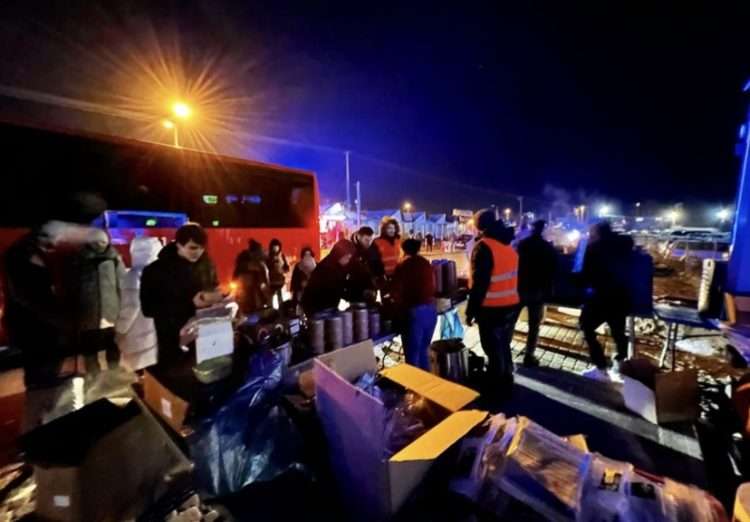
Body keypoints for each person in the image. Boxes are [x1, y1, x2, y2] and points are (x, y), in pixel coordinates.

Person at [141, 223, 221, 373]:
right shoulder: (155, 271)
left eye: (202, 248)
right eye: (192, 247)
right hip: (172, 341)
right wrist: (189, 303)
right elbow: (148, 308)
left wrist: (216, 297)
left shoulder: (206, 265)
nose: (198, 252)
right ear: (178, 244)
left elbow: (215, 287)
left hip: (205, 339)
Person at [4, 224, 66, 391]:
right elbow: (28, 297)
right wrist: (61, 318)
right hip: (32, 327)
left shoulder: (31, 252)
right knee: (40, 377)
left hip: (39, 326)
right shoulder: (21, 255)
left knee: (46, 371)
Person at [465, 209, 520, 399]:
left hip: (492, 307)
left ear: (480, 225)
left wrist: (470, 311)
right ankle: (507, 379)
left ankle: (497, 390)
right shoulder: (508, 246)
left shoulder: (484, 246)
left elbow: (480, 283)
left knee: (492, 348)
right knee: (503, 345)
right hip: (511, 305)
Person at [580, 221, 635, 381]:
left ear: (597, 232)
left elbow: (585, 274)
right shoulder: (624, 244)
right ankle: (619, 366)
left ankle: (601, 368)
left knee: (586, 327)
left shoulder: (593, 248)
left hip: (600, 298)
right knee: (618, 333)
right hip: (621, 297)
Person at [68, 229, 125, 374]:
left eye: (103, 241)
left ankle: (113, 374)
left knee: (112, 346)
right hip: (89, 313)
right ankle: (95, 379)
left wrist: (122, 308)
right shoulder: (79, 259)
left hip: (110, 311)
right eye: (97, 241)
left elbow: (122, 283)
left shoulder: (114, 258)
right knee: (90, 350)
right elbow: (73, 287)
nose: (101, 245)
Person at [515, 220, 557, 367]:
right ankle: (529, 355)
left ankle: (504, 350)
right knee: (534, 325)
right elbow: (552, 270)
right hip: (537, 290)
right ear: (543, 231)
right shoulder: (548, 247)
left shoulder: (522, 245)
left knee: (510, 322)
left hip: (520, 288)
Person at [116, 237, 161, 371]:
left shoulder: (133, 276)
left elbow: (131, 306)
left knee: (134, 376)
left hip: (135, 340)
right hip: (151, 337)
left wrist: (119, 330)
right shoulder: (157, 276)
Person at [391, 239, 437, 370]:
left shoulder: (403, 265)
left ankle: (415, 388)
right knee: (423, 351)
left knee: (412, 356)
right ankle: (427, 385)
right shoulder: (425, 263)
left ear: (403, 250)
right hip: (431, 310)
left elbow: (396, 291)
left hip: (415, 312)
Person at [302, 239, 357, 317]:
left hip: (327, 307)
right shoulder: (327, 268)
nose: (348, 260)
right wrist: (352, 297)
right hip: (317, 308)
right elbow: (335, 288)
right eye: (347, 257)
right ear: (340, 254)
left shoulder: (338, 266)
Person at [233, 239, 272, 314]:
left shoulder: (260, 265)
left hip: (254, 297)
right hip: (248, 297)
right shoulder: (246, 264)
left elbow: (264, 283)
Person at [348, 226, 384, 304]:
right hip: (355, 291)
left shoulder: (373, 248)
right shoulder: (350, 248)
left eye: (371, 240)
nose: (369, 243)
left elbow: (378, 265)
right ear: (359, 237)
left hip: (371, 289)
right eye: (366, 240)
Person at [267, 238, 290, 309]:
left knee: (280, 299)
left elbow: (287, 268)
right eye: (274, 247)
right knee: (270, 299)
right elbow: (266, 267)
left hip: (280, 281)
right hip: (271, 281)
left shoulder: (282, 256)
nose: (275, 248)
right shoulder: (268, 257)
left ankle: (281, 313)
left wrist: (283, 271)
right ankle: (271, 313)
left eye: (276, 246)